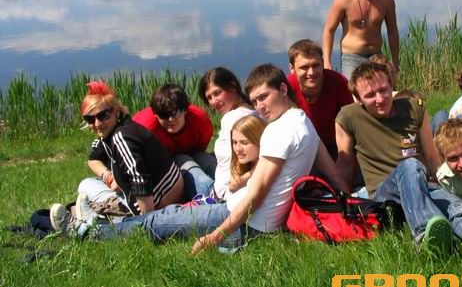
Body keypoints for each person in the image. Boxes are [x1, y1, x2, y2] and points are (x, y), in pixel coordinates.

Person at [49, 64, 346, 254]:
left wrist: (215, 236)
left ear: (282, 89)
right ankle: (98, 222)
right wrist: (349, 195)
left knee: (157, 223)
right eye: (255, 100)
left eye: (264, 97)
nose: (259, 107)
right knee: (170, 213)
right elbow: (330, 171)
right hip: (250, 214)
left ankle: (88, 231)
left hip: (247, 224)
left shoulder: (280, 132)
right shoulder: (301, 120)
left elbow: (256, 196)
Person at [334, 62, 462, 253]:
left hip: (421, 186)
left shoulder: (414, 108)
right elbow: (345, 165)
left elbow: (431, 157)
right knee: (410, 165)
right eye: (370, 95)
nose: (380, 99)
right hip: (385, 198)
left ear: (391, 85)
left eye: (384, 90)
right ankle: (425, 236)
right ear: (358, 98)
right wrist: (345, 207)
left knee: (452, 206)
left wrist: (445, 189)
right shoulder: (349, 117)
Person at [73, 81, 184, 216]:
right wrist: (109, 177)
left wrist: (147, 219)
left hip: (158, 201)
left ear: (116, 111)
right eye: (90, 119)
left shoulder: (121, 138)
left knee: (86, 186)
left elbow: (140, 181)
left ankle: (111, 213)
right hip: (167, 190)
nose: (97, 124)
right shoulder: (122, 128)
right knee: (87, 184)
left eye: (103, 115)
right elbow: (93, 159)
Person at [132, 83, 215, 199]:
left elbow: (199, 150)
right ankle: (211, 193)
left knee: (204, 158)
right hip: (161, 168)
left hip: (193, 154)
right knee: (183, 160)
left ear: (185, 110)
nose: (170, 119)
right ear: (155, 114)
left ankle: (230, 184)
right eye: (163, 115)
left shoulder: (201, 122)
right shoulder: (143, 129)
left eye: (175, 113)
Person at [322, 0, 399, 79]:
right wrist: (327, 61)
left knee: (383, 88)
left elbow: (392, 32)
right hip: (351, 56)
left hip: (376, 55)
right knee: (353, 90)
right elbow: (329, 31)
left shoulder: (387, 0)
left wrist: (395, 61)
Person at [287, 39, 353, 160]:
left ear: (322, 63)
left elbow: (350, 121)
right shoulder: (286, 88)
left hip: (335, 144)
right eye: (304, 67)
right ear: (292, 69)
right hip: (302, 146)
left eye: (316, 65)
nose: (311, 72)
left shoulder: (338, 82)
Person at [198, 67, 257, 202]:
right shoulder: (254, 109)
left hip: (223, 195)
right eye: (209, 97)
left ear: (232, 86)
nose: (214, 101)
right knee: (199, 156)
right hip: (228, 183)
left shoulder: (231, 119)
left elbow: (236, 170)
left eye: (217, 93)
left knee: (183, 161)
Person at [228, 115, 266, 193]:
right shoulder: (243, 159)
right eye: (234, 142)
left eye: (244, 143)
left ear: (259, 141)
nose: (238, 149)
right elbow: (232, 186)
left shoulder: (268, 163)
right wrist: (252, 171)